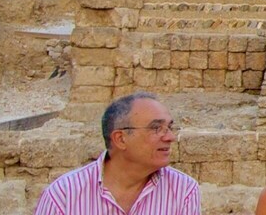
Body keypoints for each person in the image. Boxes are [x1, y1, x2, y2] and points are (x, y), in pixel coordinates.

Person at [35, 92, 202, 215]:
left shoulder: (183, 191)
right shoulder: (64, 195)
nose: (170, 137)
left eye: (170, 127)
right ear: (120, 139)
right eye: (156, 128)